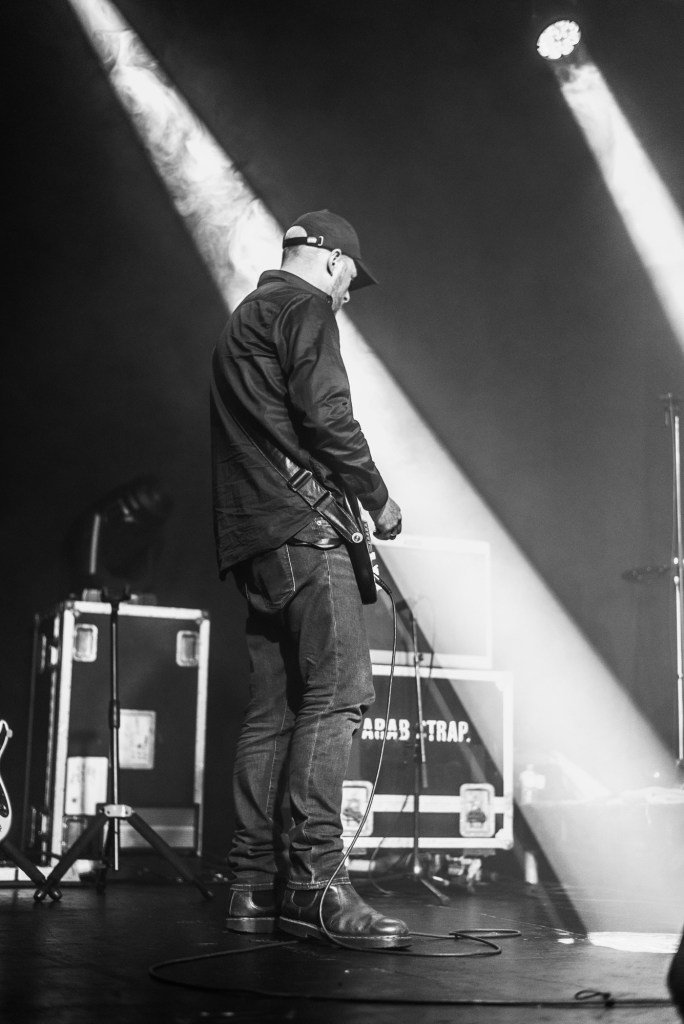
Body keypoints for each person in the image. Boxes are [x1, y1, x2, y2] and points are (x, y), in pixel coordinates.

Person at [210, 209, 409, 949]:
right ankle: (316, 884)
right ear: (329, 260)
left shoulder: (242, 319)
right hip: (305, 530)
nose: (348, 295)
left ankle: (251, 887)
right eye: (351, 279)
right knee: (339, 693)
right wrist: (378, 499)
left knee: (274, 709)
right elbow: (327, 416)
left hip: (253, 537)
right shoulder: (305, 308)